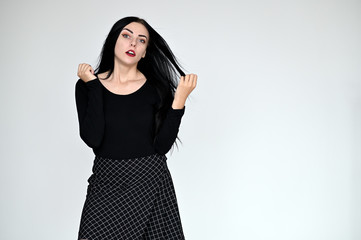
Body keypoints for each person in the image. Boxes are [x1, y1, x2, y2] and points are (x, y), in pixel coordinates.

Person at [75, 16, 197, 240]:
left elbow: (161, 146)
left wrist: (179, 100)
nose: (133, 43)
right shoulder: (87, 86)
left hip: (150, 182)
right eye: (126, 35)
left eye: (141, 41)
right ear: (114, 41)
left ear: (144, 52)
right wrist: (93, 85)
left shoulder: (156, 89)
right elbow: (94, 138)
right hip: (106, 183)